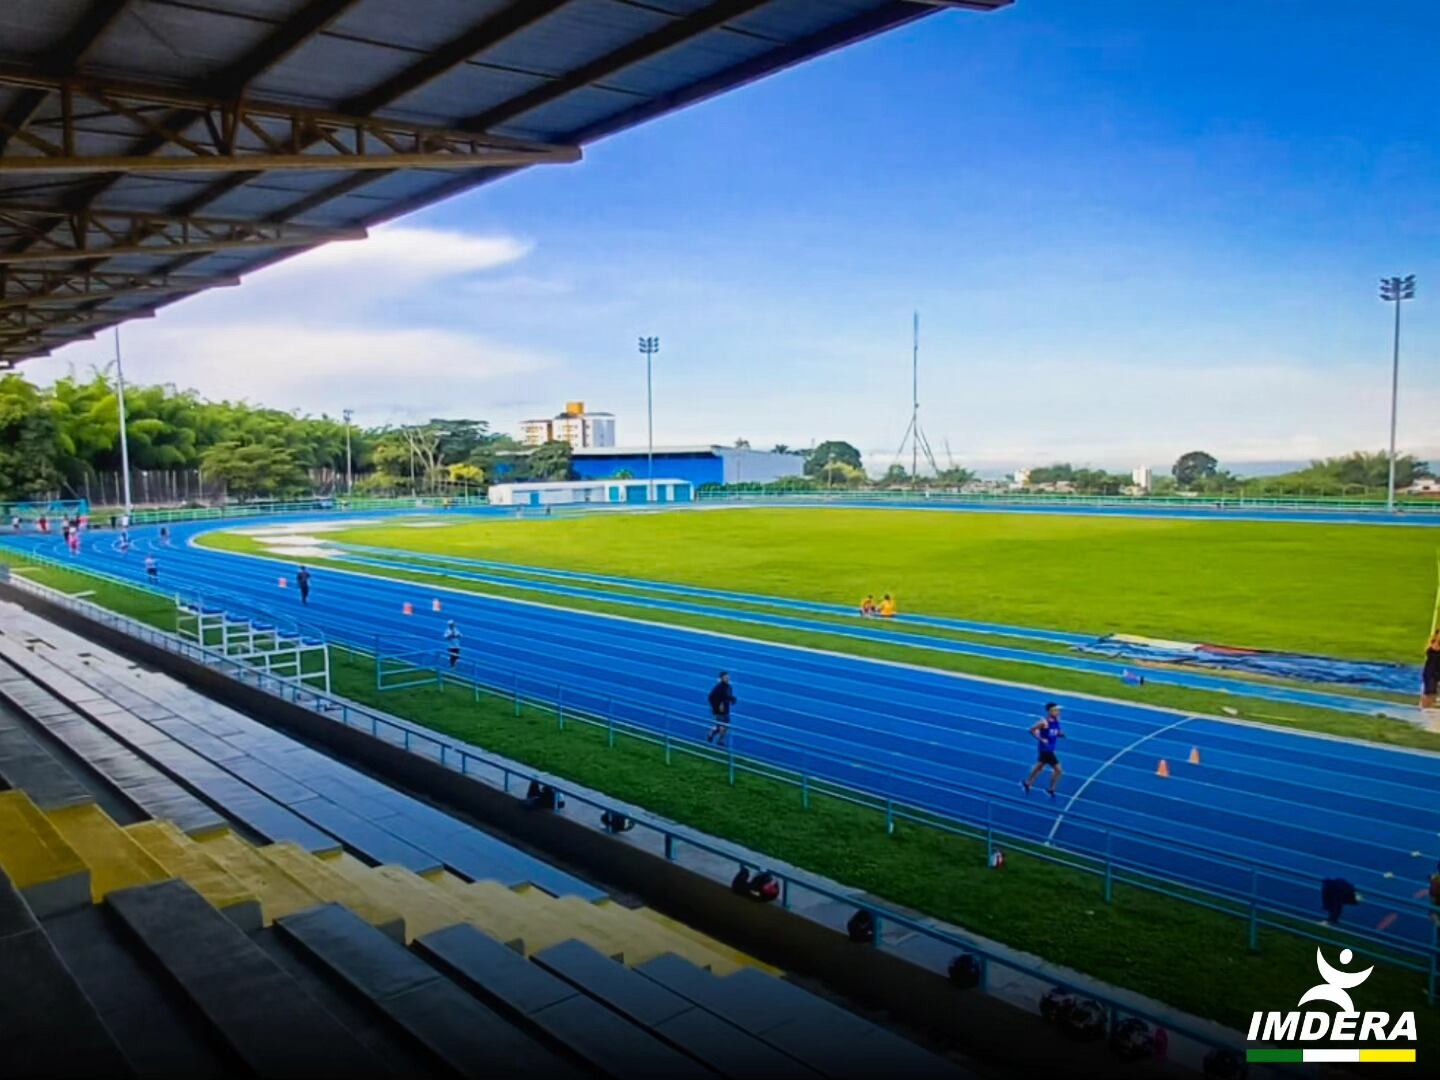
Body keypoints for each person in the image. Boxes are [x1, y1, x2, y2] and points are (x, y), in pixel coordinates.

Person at [1022, 702, 1065, 798]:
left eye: (1058, 710)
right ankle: (1051, 789)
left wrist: (1059, 734)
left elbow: (1054, 732)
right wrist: (1041, 739)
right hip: (1046, 749)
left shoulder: (1056, 720)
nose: (1058, 712)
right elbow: (1032, 730)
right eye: (1056, 710)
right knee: (1058, 770)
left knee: (1039, 766)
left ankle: (1027, 783)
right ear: (1050, 711)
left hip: (1050, 748)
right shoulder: (1044, 722)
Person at [705, 671, 737, 746]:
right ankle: (717, 738)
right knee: (721, 727)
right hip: (718, 711)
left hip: (726, 710)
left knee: (725, 727)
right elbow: (710, 697)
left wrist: (732, 699)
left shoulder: (729, 687)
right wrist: (717, 706)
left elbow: (728, 696)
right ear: (722, 678)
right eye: (726, 677)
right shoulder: (718, 688)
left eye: (728, 677)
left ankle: (717, 738)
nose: (727, 678)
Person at [1422, 630, 1440, 709]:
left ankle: (1430, 708)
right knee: (1430, 692)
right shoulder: (1432, 644)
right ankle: (1425, 707)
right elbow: (1428, 650)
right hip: (1430, 671)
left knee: (1434, 692)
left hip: (1437, 671)